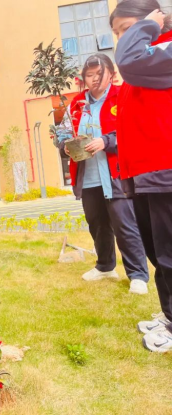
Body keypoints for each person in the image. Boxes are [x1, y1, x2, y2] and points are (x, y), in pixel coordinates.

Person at [57, 54, 149, 294]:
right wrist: (65, 146)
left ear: (111, 74)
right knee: (97, 224)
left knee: (125, 225)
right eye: (90, 75)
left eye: (100, 73)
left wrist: (106, 141)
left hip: (117, 175)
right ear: (83, 78)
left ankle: (137, 275)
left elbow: (136, 129)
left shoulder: (122, 96)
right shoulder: (76, 104)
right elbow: (63, 133)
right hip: (88, 177)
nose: (95, 79)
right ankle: (105, 266)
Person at [110, 0, 172, 352]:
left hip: (165, 170)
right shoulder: (151, 57)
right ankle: (169, 314)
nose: (122, 39)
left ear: (155, 18)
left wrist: (148, 26)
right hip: (146, 173)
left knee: (169, 252)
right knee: (159, 253)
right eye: (117, 33)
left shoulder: (162, 49)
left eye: (125, 29)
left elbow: (129, 60)